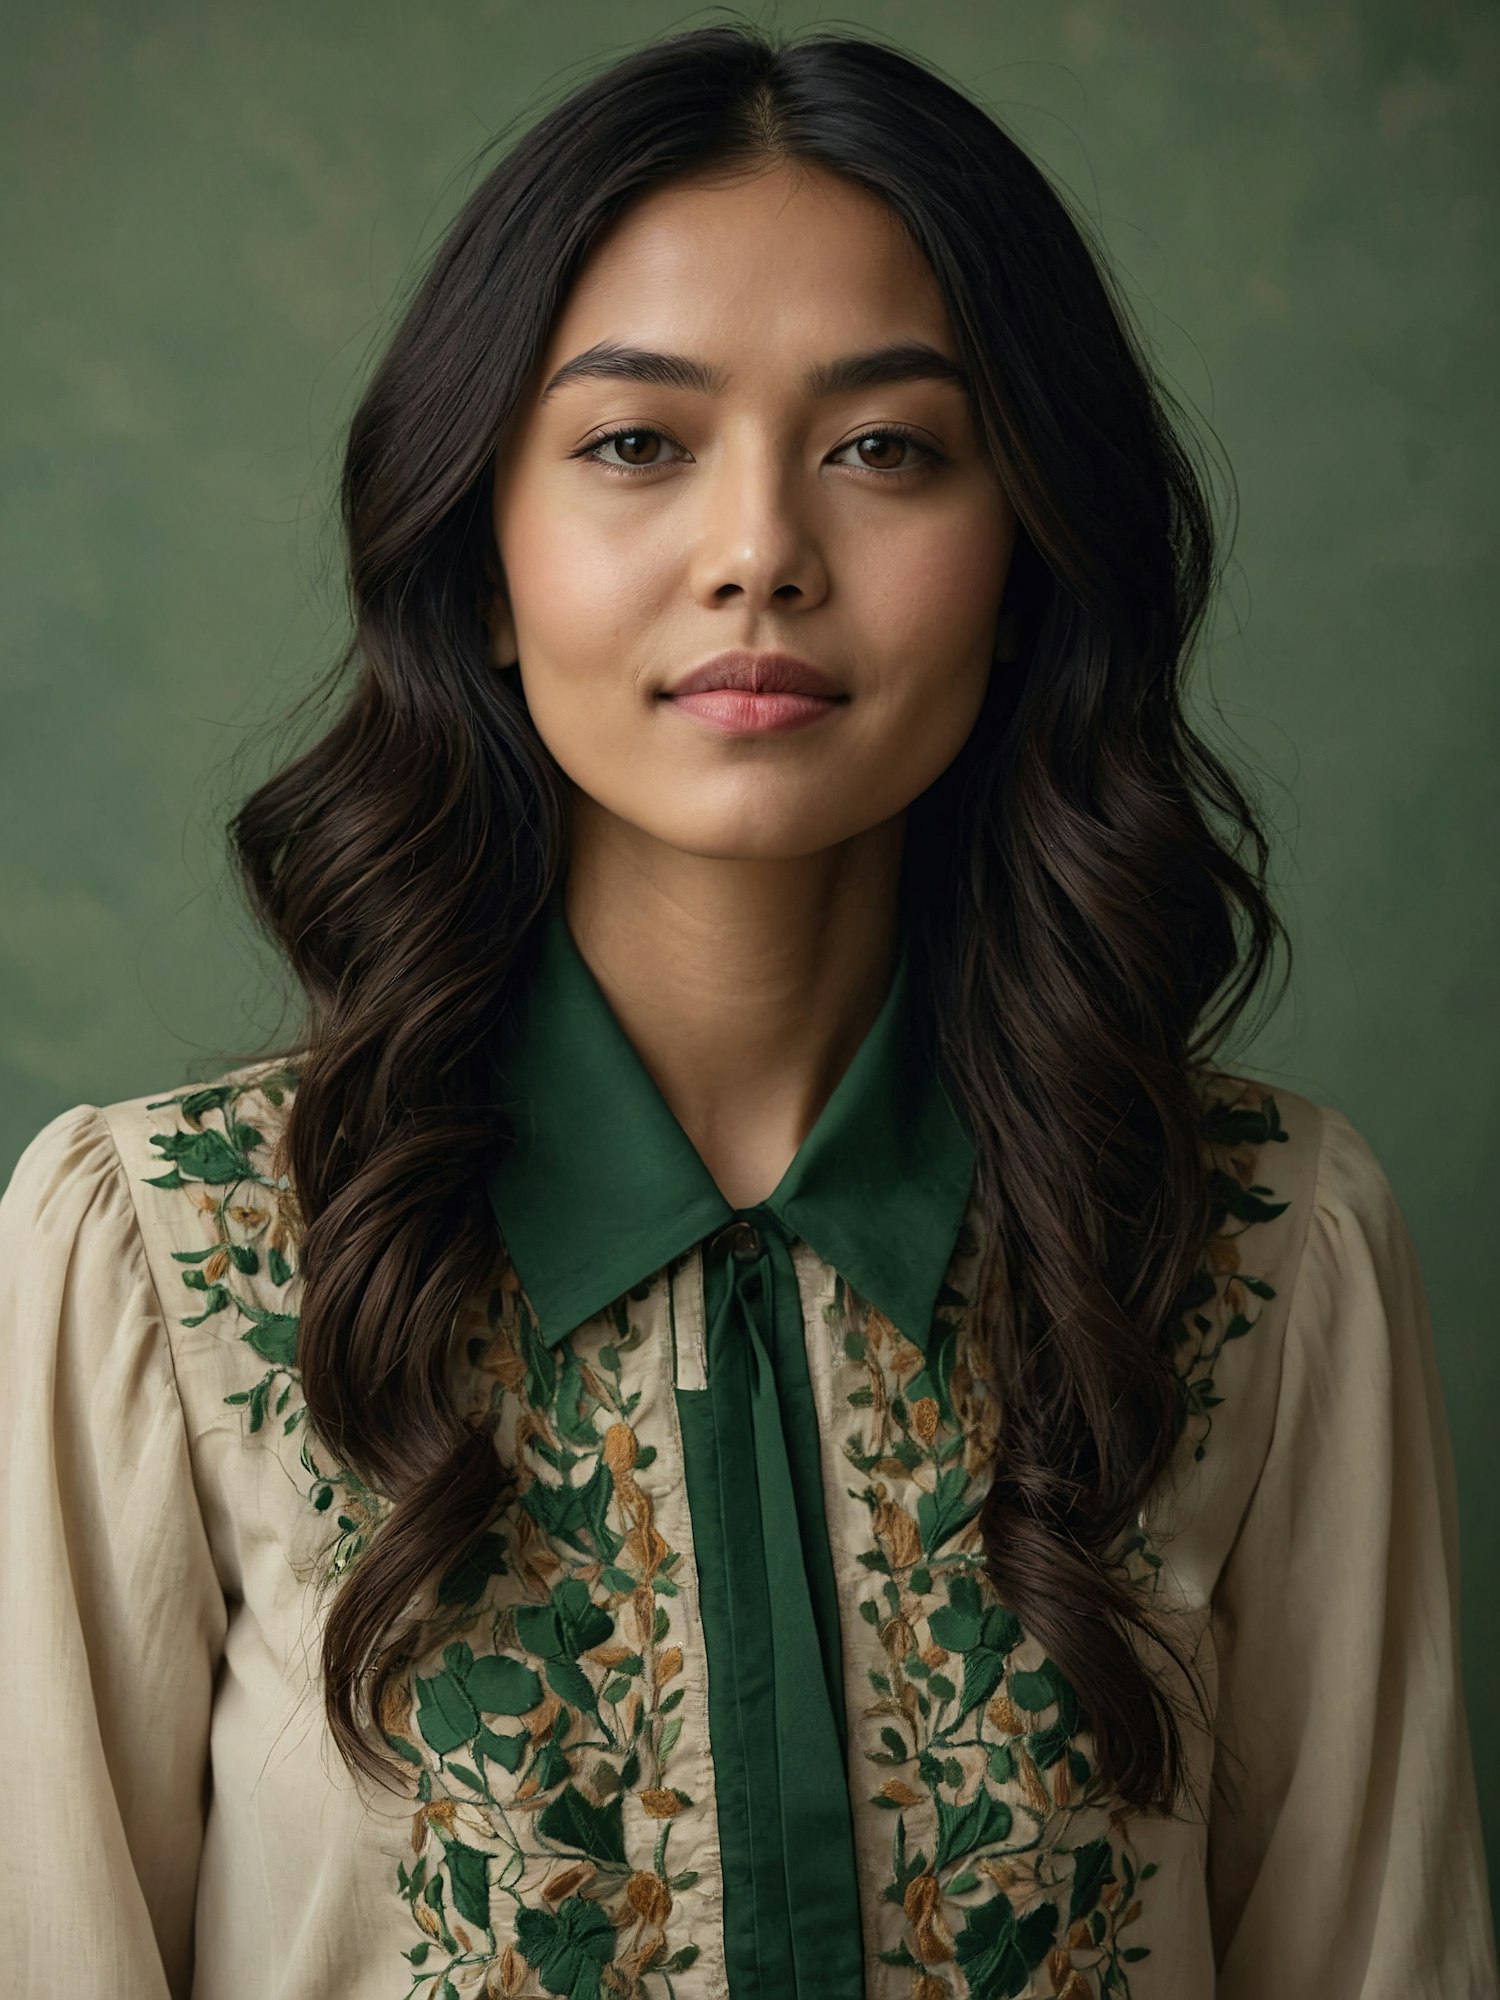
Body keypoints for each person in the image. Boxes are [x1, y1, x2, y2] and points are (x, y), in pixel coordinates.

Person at [4, 21, 1495, 2000]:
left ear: (1025, 554)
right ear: (486, 557)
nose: (763, 556)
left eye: (886, 447)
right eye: (637, 442)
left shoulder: (1265, 1245)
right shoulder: (159, 1255)